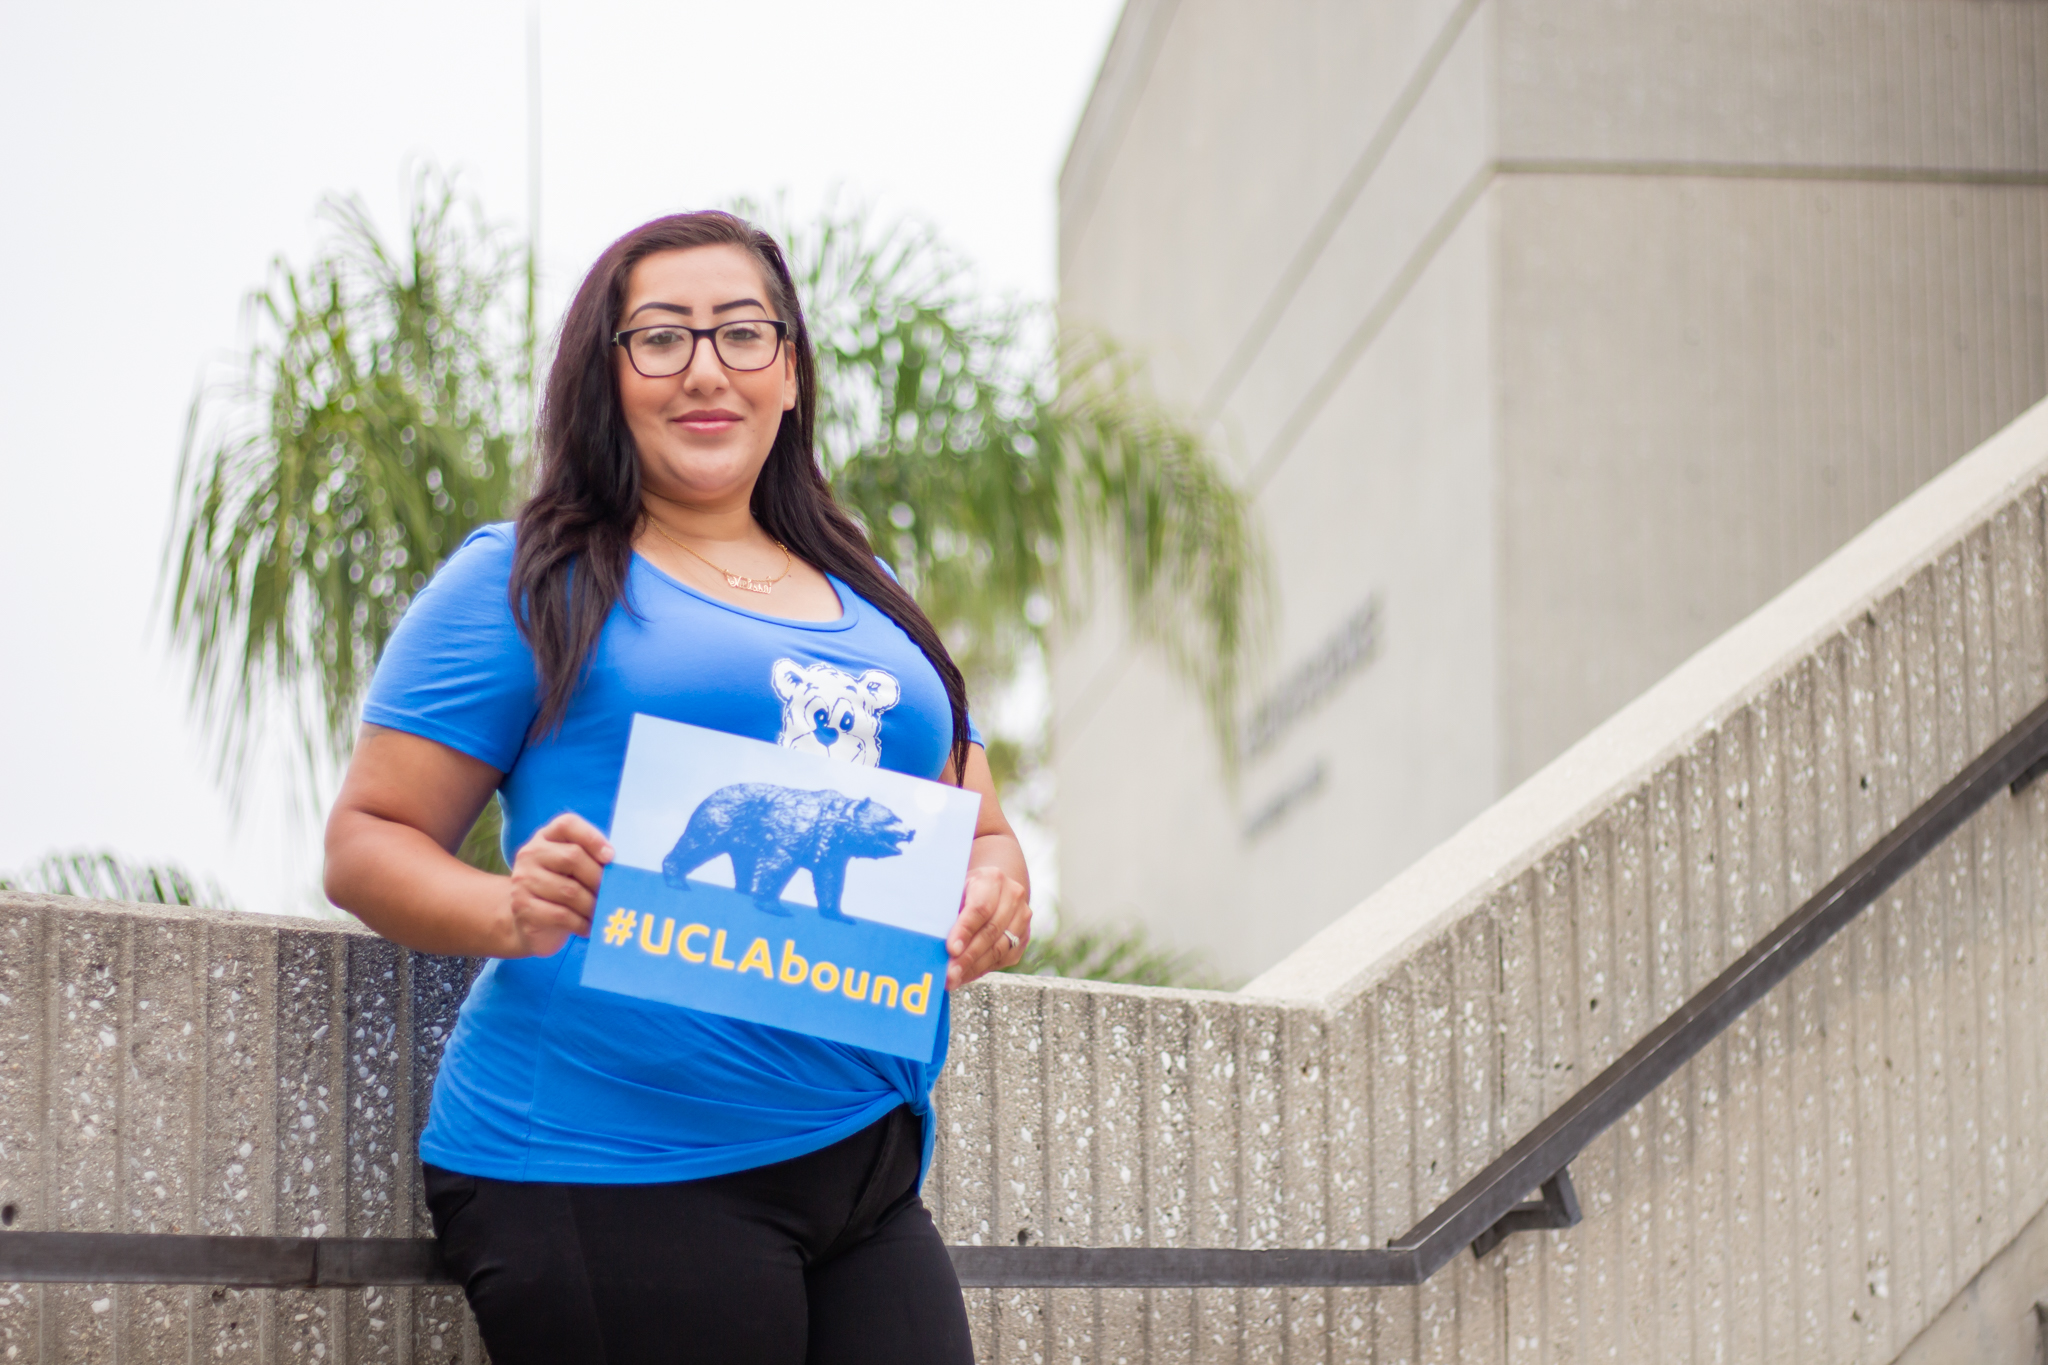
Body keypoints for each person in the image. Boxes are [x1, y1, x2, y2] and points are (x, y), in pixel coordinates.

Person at [322, 210, 1031, 1364]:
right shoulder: (522, 577)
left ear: (789, 372)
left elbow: (980, 828)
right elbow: (367, 841)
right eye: (660, 338)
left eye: (742, 334)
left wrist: (997, 889)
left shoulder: (875, 596)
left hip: (861, 1168)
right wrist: (509, 907)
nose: (705, 368)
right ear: (607, 376)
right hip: (609, 1165)